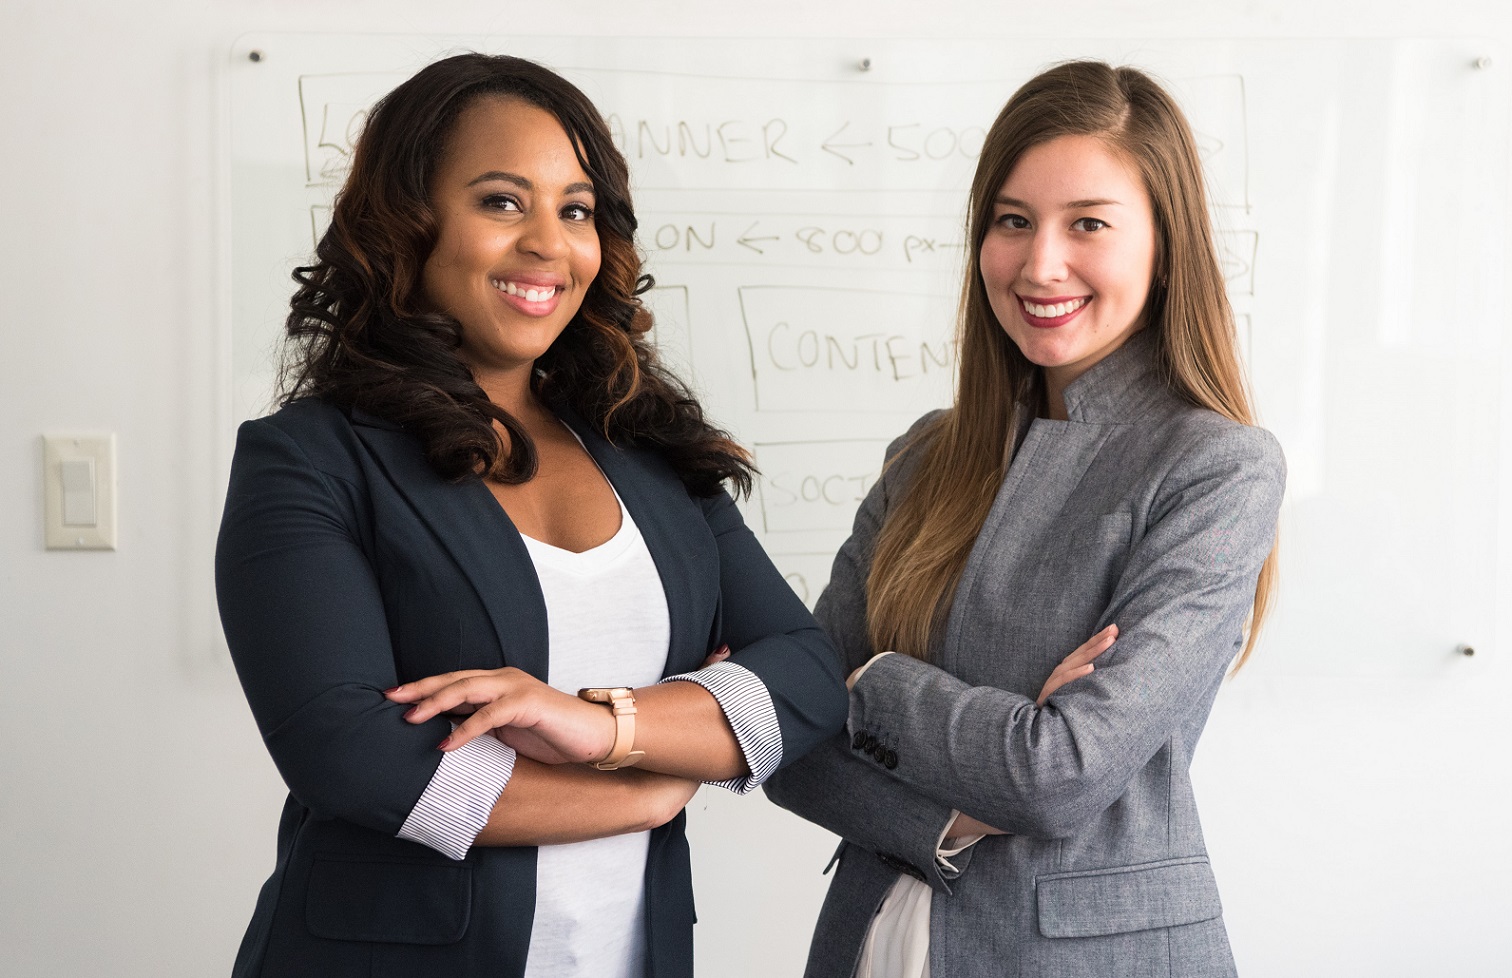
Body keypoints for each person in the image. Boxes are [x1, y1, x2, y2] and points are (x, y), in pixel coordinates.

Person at [216, 53, 847, 978]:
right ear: (412, 223)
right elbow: (352, 757)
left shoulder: (651, 456)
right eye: (502, 201)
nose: (549, 242)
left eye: (576, 209)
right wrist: (651, 788)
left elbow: (804, 676)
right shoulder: (310, 459)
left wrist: (602, 729)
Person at [763, 60, 1284, 978]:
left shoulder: (1216, 468)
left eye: (1088, 223)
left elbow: (1059, 772)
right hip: (872, 941)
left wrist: (874, 677)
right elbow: (788, 737)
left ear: (1166, 246)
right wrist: (948, 815)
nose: (1041, 264)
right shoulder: (926, 455)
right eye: (1013, 222)